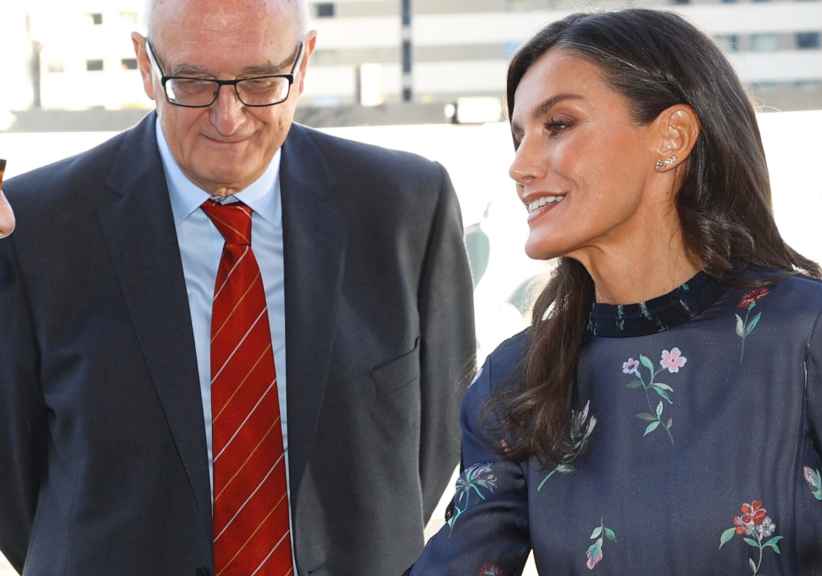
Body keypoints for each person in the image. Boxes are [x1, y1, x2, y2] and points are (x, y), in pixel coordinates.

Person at [410, 9, 822, 576]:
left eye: (558, 125)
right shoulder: (517, 377)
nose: (520, 165)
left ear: (672, 137)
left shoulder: (811, 332)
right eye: (518, 135)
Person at [0, 0, 474, 574]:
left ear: (303, 65)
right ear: (146, 68)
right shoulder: (34, 226)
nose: (229, 117)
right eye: (194, 82)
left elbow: (441, 435)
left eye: (260, 81)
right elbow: (13, 479)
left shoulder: (406, 207)